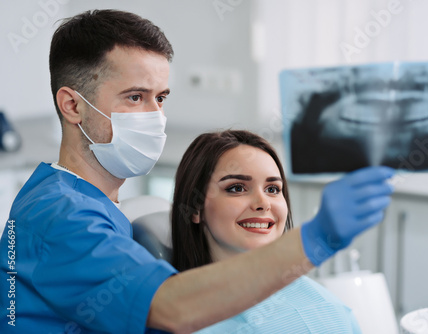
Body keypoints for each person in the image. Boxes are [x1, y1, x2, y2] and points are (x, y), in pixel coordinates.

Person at [0, 9, 394, 334]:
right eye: (135, 97)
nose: (155, 117)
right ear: (72, 106)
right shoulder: (60, 215)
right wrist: (317, 238)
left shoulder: (90, 204)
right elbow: (171, 308)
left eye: (161, 98)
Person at [170, 130, 362, 333]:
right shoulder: (172, 319)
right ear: (195, 207)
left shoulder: (334, 311)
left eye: (272, 189)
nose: (263, 203)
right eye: (237, 188)